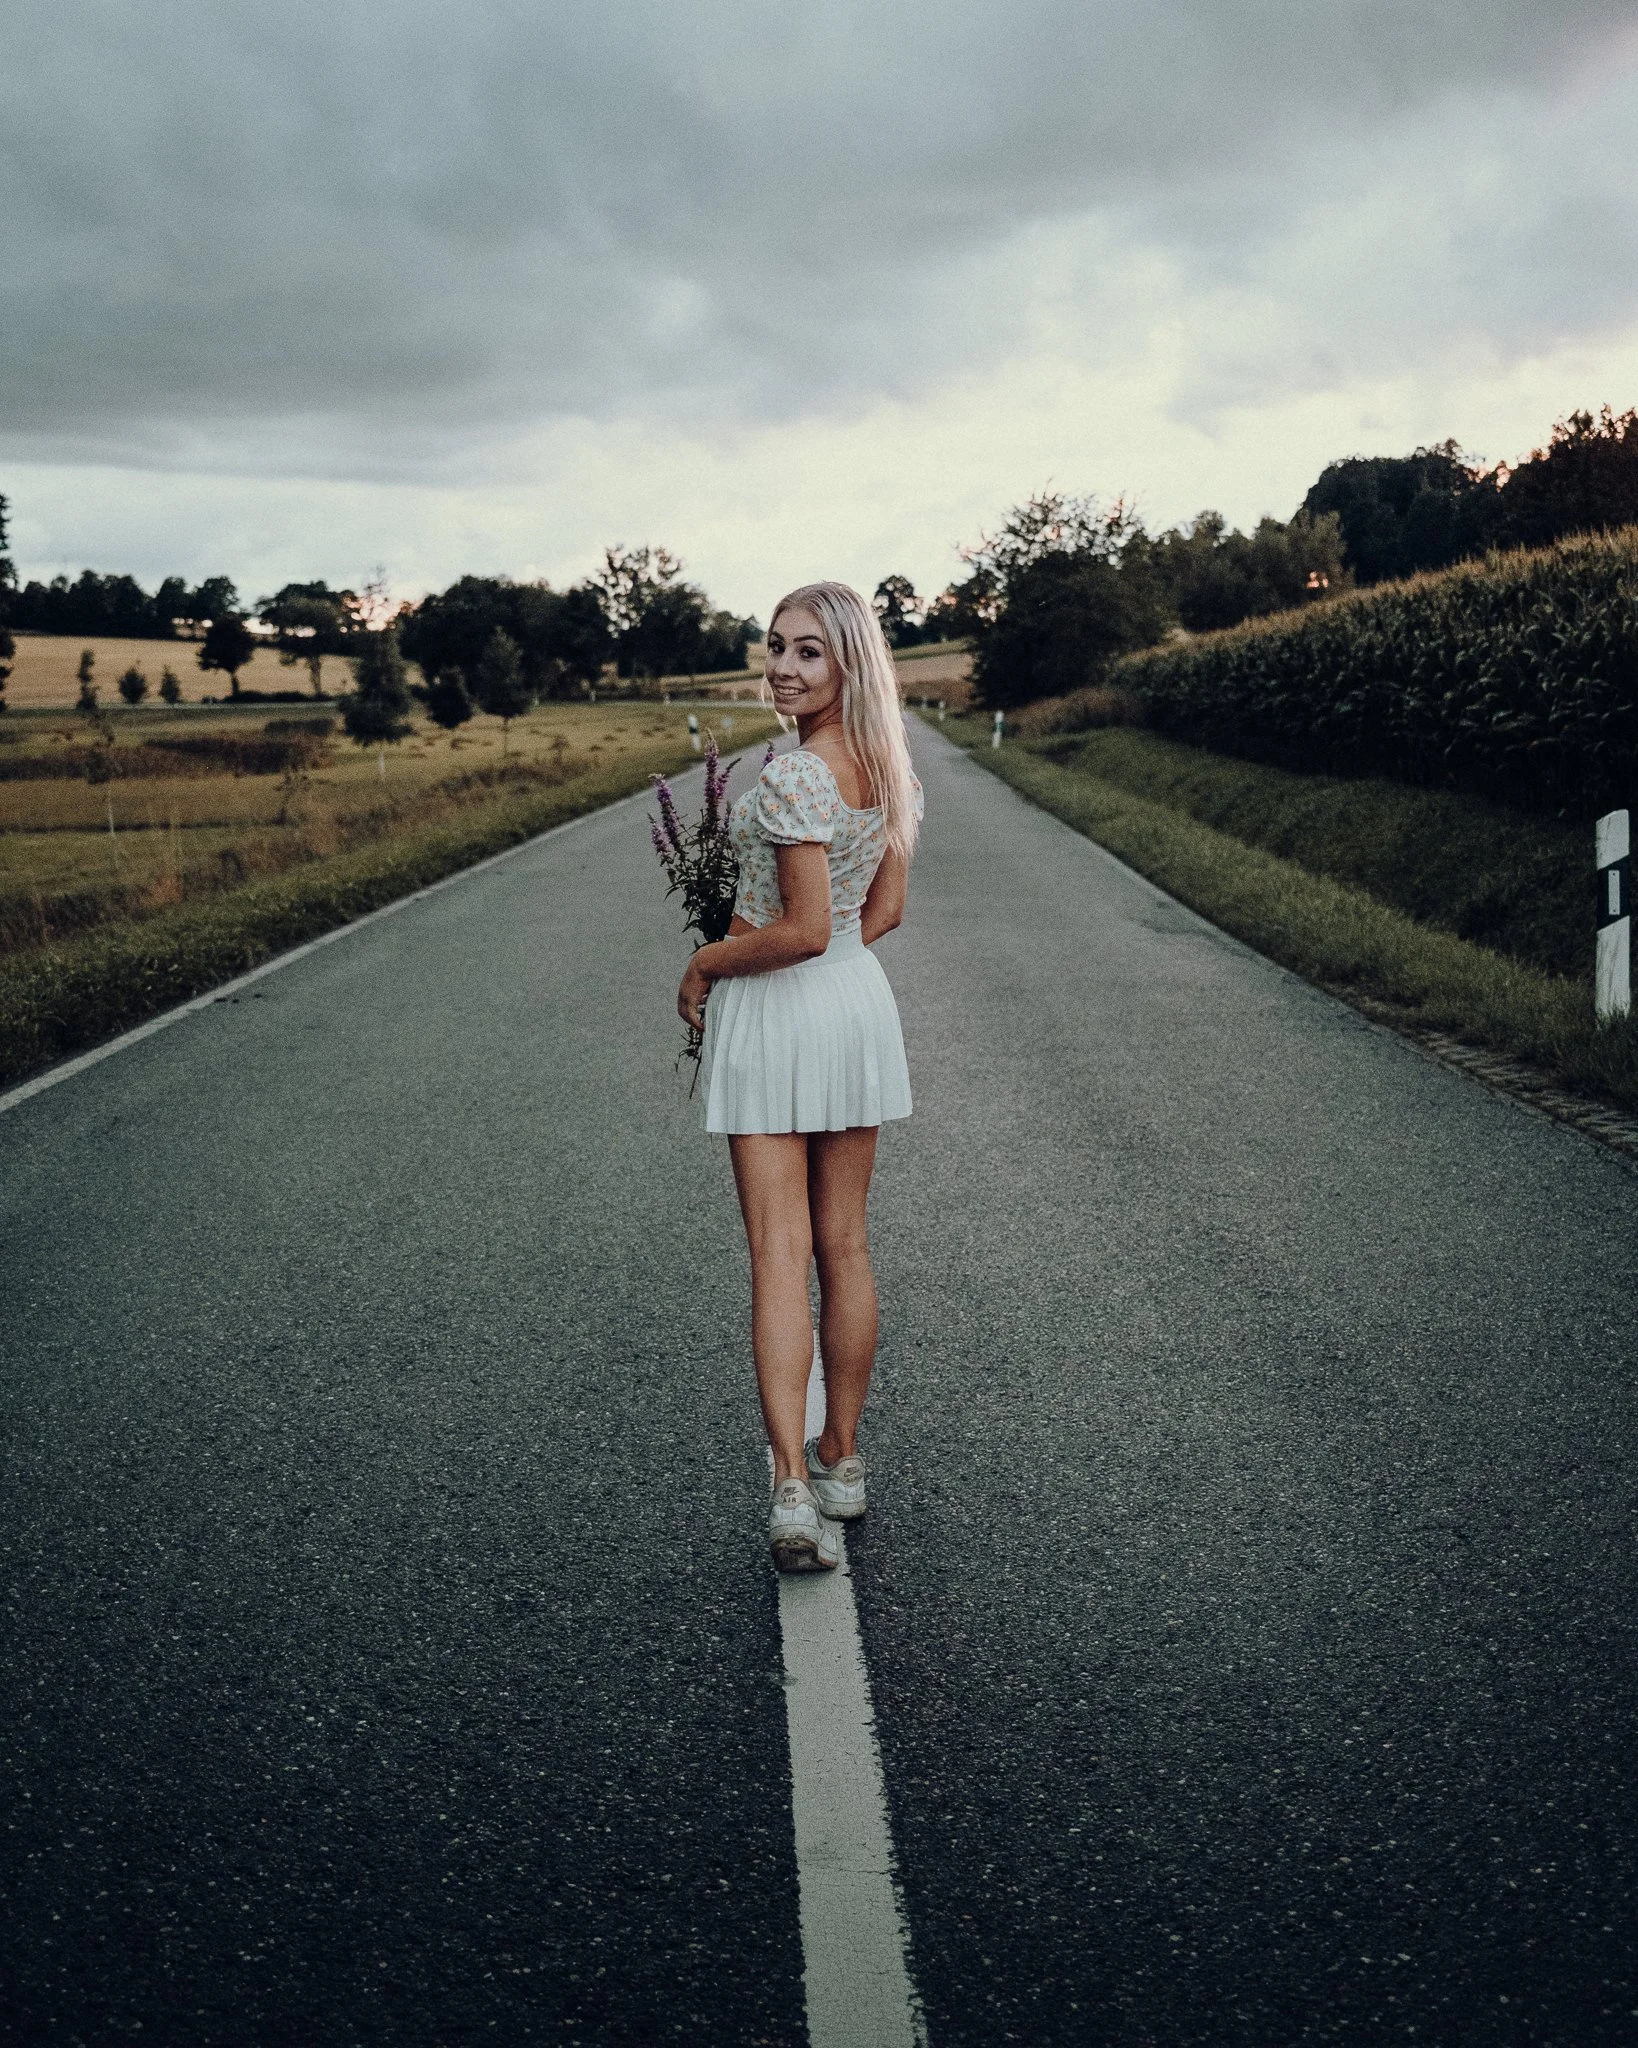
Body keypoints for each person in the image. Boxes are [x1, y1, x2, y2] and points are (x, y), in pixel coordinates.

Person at [677, 581, 924, 1573]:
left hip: (780, 1005)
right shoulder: (896, 775)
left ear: (850, 664)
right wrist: (829, 982)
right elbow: (880, 916)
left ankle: (790, 1483)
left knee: (783, 1251)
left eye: (809, 651)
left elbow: (798, 927)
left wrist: (705, 962)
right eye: (775, 644)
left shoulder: (792, 778)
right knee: (846, 1245)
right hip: (853, 1003)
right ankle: (843, 1457)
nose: (781, 664)